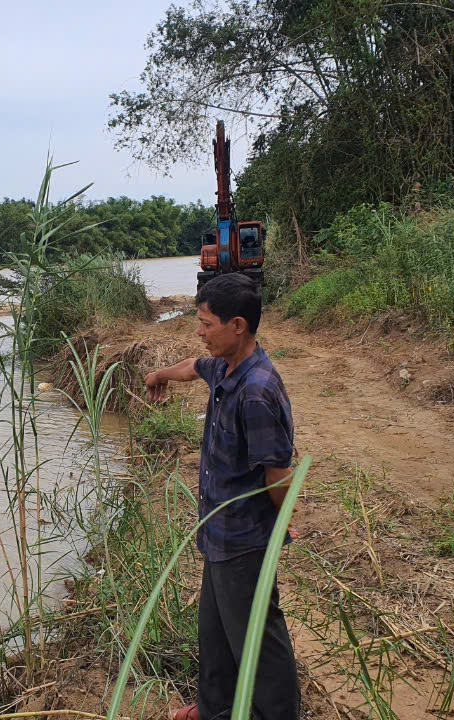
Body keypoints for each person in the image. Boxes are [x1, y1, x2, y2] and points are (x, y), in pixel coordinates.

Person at [143, 273, 300, 720]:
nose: (200, 331)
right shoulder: (226, 368)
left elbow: (277, 474)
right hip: (218, 533)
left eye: (206, 323)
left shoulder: (255, 392)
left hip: (245, 538)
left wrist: (282, 521)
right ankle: (215, 710)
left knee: (258, 638)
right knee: (214, 631)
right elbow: (193, 366)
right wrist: (159, 375)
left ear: (238, 326)